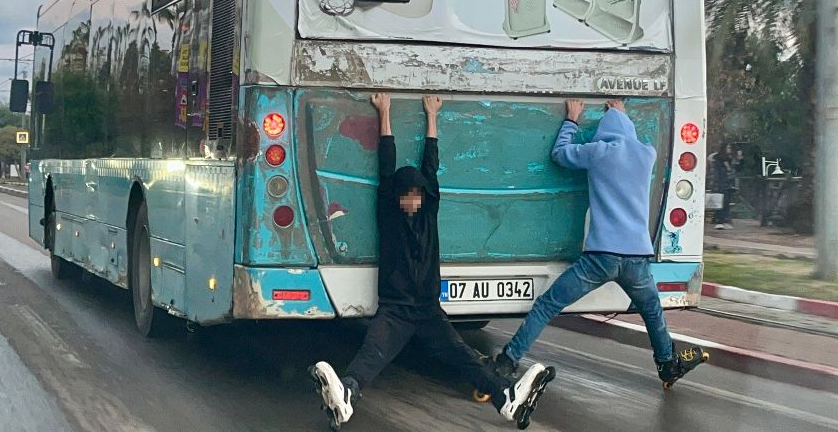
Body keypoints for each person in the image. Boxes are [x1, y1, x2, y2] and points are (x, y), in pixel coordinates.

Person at [310, 93, 555, 430]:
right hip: (395, 310)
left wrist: (432, 116)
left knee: (464, 357)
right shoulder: (388, 211)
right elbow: (386, 163)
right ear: (397, 196)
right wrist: (385, 112)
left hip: (427, 309)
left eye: (417, 194)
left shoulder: (429, 212)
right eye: (406, 194)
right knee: (371, 356)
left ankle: (507, 400)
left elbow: (430, 165)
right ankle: (347, 397)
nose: (412, 200)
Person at [492, 99, 707, 388]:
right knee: (652, 312)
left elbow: (559, 154)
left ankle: (508, 361)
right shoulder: (647, 154)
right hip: (637, 259)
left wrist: (571, 120)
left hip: (600, 258)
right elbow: (636, 135)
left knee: (548, 305)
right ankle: (667, 365)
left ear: (603, 131)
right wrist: (622, 115)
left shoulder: (598, 152)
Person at [712, 143, 741, 229]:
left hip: (729, 183)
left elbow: (737, 169)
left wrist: (740, 159)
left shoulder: (731, 160)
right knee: (722, 203)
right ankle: (720, 220)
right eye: (728, 148)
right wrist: (716, 184)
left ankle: (723, 220)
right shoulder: (719, 160)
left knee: (726, 203)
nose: (729, 149)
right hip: (722, 183)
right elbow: (717, 173)